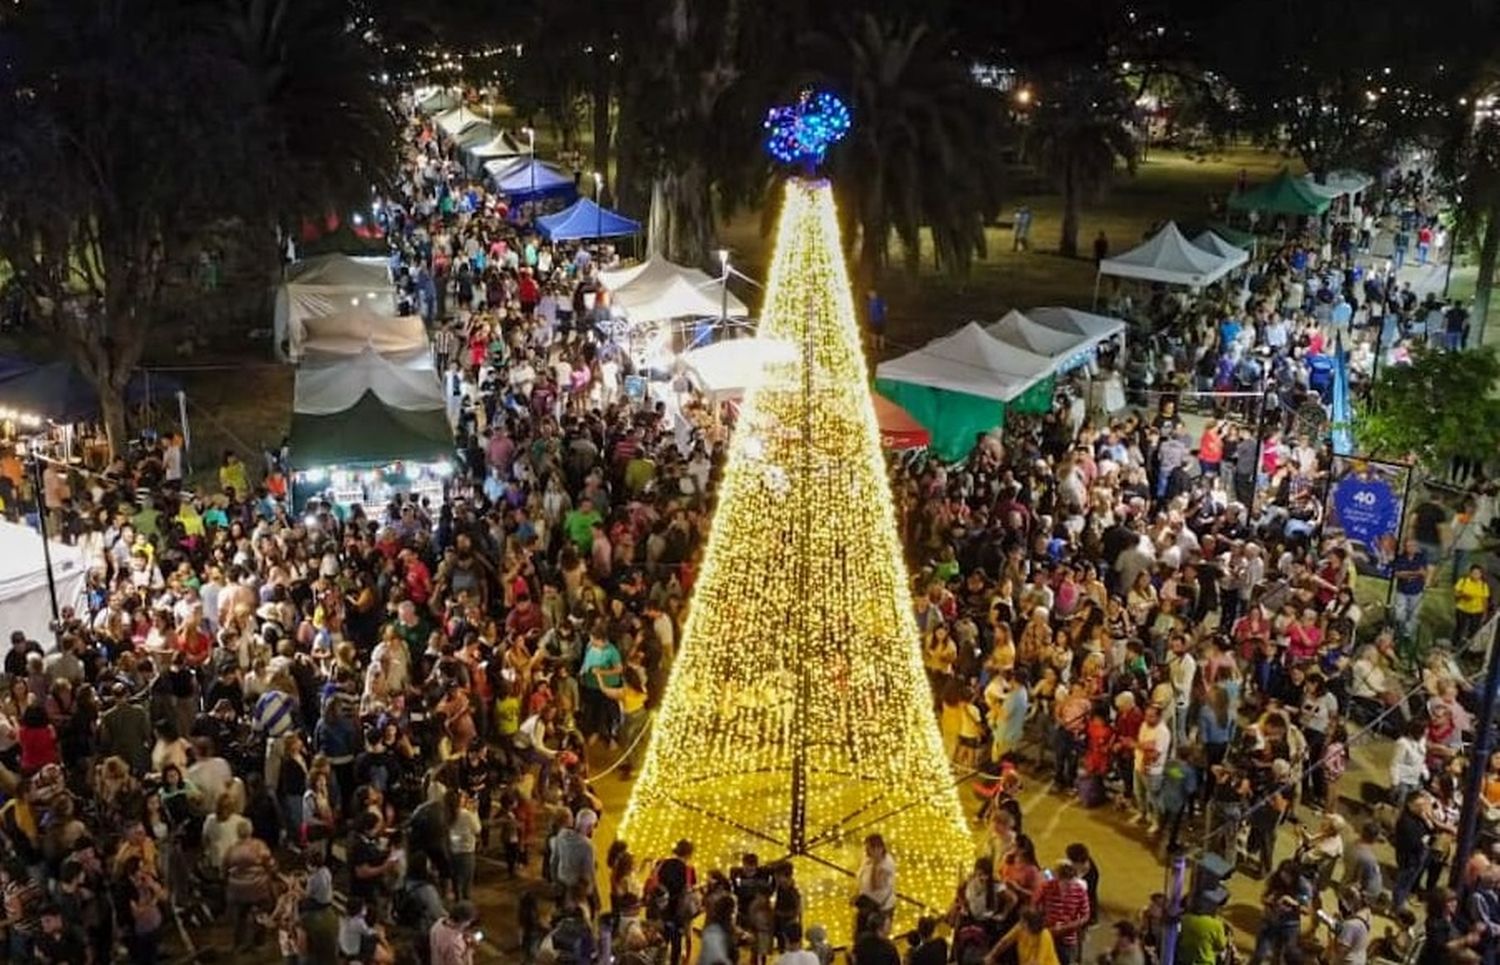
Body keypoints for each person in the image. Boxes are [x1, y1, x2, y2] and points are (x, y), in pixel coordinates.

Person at [855, 833, 896, 936]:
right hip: (866, 901)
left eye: (869, 849)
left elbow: (875, 886)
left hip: (879, 906)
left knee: (875, 934)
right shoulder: (868, 857)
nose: (866, 852)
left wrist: (875, 864)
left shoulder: (886, 865)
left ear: (879, 848)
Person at [429, 899, 481, 965]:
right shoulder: (454, 945)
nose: (469, 924)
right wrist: (470, 950)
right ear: (462, 921)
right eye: (468, 922)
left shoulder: (438, 923)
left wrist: (462, 933)